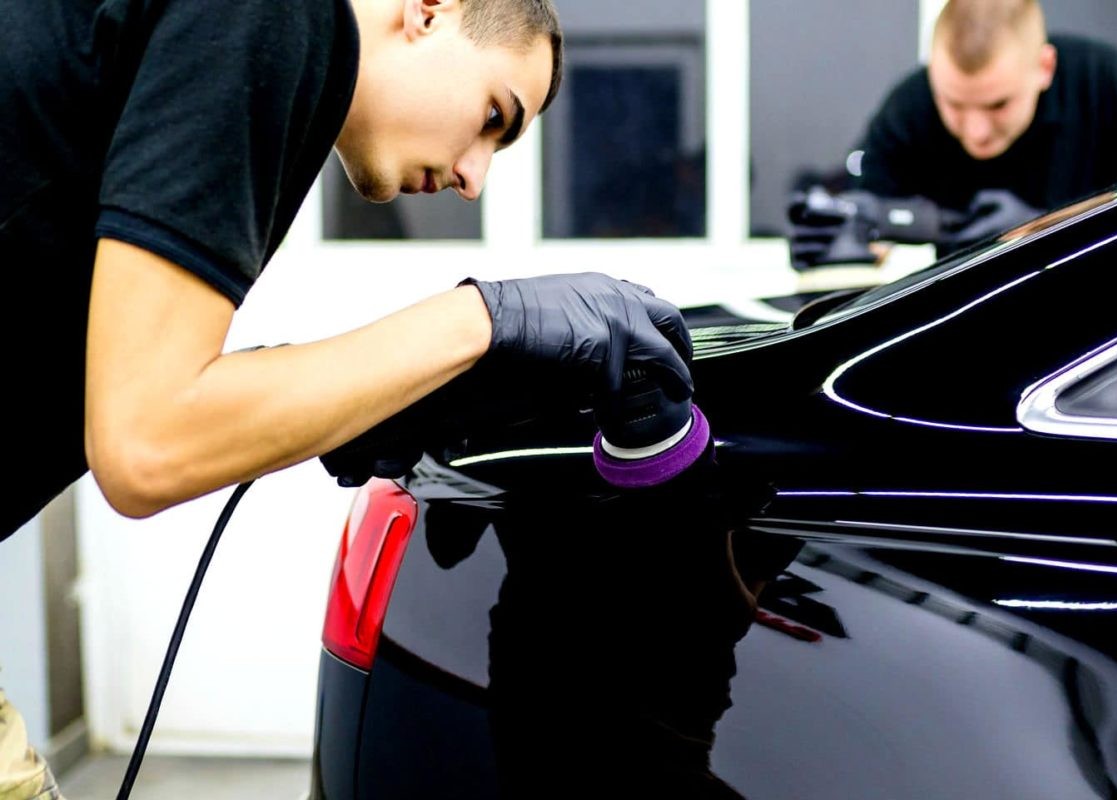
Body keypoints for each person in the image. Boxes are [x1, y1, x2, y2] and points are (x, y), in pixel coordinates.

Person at [0, 0, 692, 796]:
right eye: (492, 119)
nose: (474, 178)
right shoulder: (277, 17)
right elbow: (146, 444)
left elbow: (139, 372)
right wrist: (485, 319)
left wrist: (357, 403)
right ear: (428, 12)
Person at [794, 0, 1117, 266]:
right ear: (934, 73)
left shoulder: (1106, 86)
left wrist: (1045, 228)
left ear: (1044, 68)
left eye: (998, 105)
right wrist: (837, 244)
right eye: (954, 104)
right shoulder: (910, 105)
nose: (976, 133)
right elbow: (870, 219)